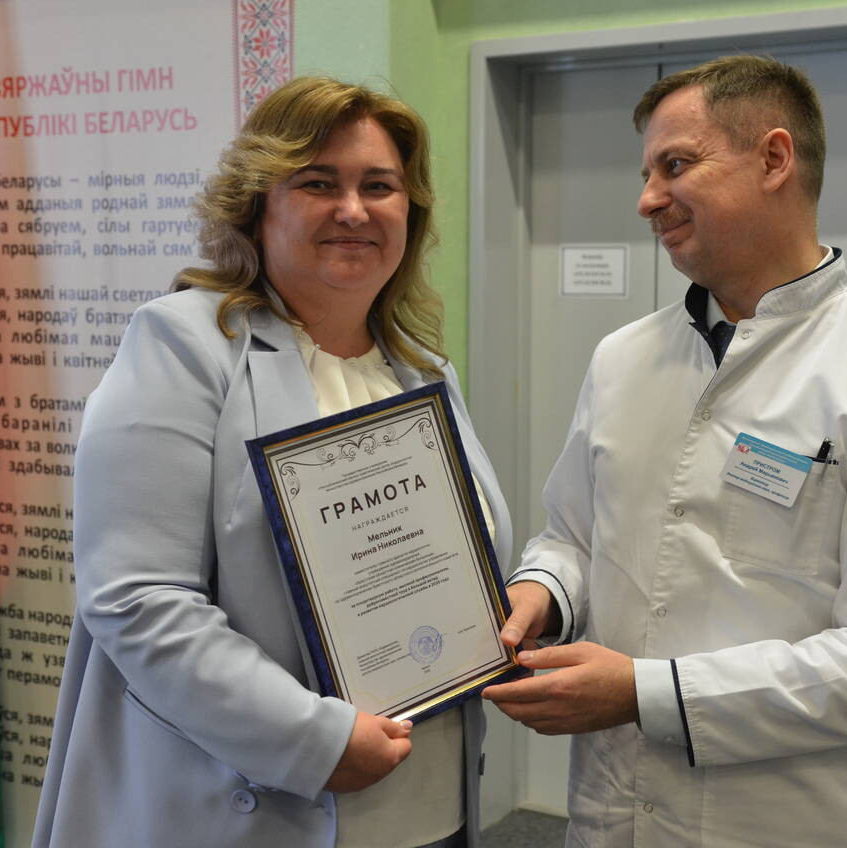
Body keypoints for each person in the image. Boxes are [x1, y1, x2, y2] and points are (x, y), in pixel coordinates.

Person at [482, 55, 847, 846]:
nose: (647, 199)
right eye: (646, 173)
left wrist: (646, 694)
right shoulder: (622, 357)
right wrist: (539, 593)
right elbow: (572, 535)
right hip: (611, 814)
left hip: (781, 823)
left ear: (774, 159)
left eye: (676, 166)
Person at [33, 77, 511, 848]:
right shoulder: (184, 345)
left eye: (379, 186)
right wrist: (310, 740)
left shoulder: (422, 371)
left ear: (410, 211)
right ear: (257, 205)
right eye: (318, 183)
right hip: (254, 805)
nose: (353, 210)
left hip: (432, 804)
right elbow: (136, 597)